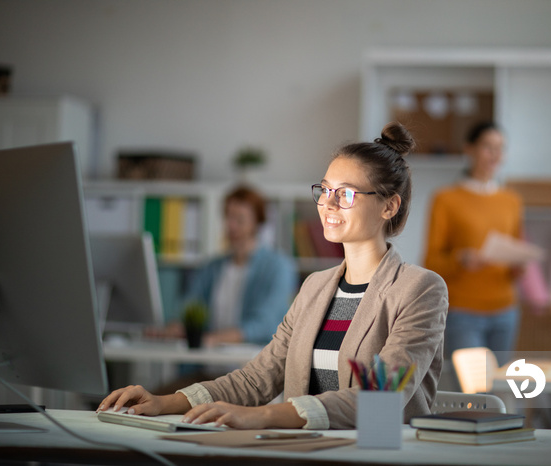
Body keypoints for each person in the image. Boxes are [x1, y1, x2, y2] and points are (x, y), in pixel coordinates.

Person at [98, 122, 448, 430]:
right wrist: (164, 402)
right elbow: (257, 378)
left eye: (345, 195)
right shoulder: (315, 287)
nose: (327, 204)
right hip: (302, 453)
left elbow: (378, 399)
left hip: (376, 458)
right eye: (325, 190)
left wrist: (264, 416)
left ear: (389, 206)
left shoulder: (419, 289)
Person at [424, 121, 524, 357]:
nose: (495, 155)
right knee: (473, 392)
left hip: (506, 310)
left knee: (498, 389)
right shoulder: (446, 199)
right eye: (488, 147)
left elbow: (515, 252)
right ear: (469, 149)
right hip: (463, 311)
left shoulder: (512, 200)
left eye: (500, 148)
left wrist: (520, 265)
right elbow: (431, 260)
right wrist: (461, 259)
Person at [154, 186, 297, 347]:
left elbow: (266, 323)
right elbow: (190, 306)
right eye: (228, 217)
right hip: (208, 363)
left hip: (251, 365)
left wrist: (215, 339)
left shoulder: (278, 267)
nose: (231, 226)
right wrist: (177, 326)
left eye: (240, 219)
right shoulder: (211, 267)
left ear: (256, 222)